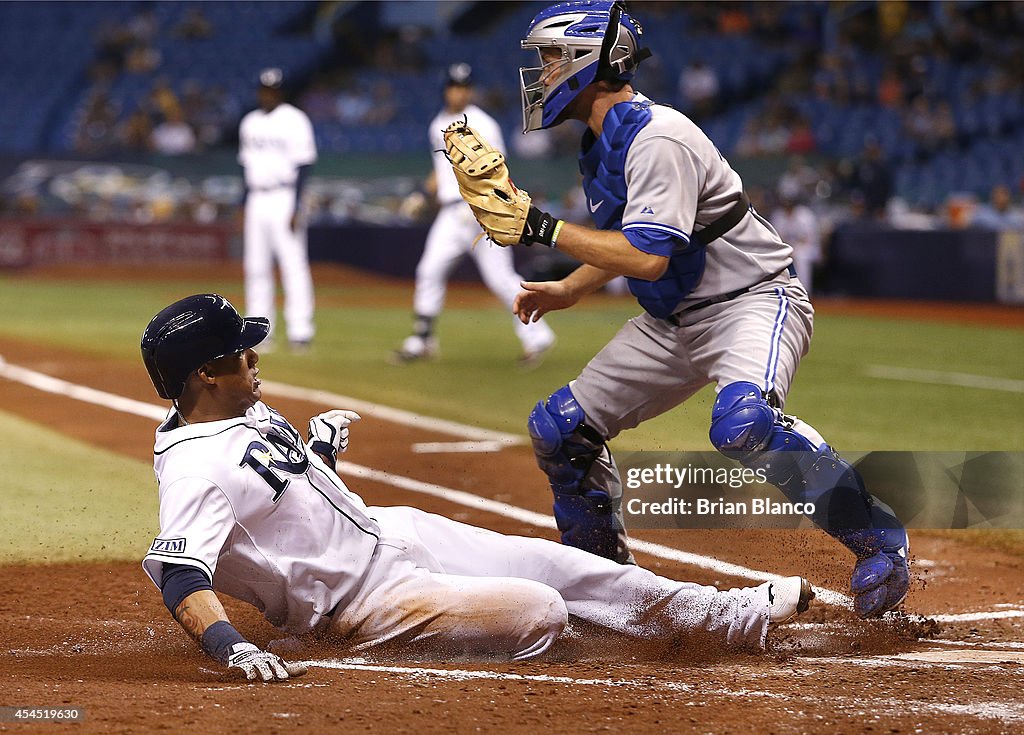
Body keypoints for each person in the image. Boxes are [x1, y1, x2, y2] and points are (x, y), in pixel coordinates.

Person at [470, 1, 907, 618]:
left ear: (587, 63)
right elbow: (640, 238)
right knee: (561, 431)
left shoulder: (658, 137)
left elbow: (648, 257)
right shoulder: (602, 143)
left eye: (548, 58)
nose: (540, 73)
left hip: (751, 301)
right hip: (674, 320)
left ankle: (880, 539)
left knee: (743, 426)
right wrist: (571, 287)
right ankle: (608, 588)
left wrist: (541, 228)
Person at [139, 293, 813, 682]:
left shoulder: (238, 408)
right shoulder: (195, 468)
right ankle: (637, 651)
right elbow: (177, 570)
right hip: (363, 602)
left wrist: (319, 451)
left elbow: (288, 509)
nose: (255, 356)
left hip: (396, 532)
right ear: (204, 374)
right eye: (241, 352)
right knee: (541, 610)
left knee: (568, 565)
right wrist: (234, 646)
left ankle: (730, 617)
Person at [392, 63, 556, 367]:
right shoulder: (437, 123)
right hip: (451, 213)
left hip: (481, 211)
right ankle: (422, 339)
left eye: (465, 87)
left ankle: (537, 336)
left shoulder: (483, 123)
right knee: (429, 270)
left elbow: (496, 169)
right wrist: (423, 195)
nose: (459, 92)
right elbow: (442, 171)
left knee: (500, 279)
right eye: (455, 86)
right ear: (446, 89)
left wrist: (496, 208)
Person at [238, 68, 317, 351]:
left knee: (293, 264)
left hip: (285, 196)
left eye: (273, 89)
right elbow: (245, 167)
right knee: (256, 266)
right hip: (257, 197)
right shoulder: (249, 122)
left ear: (280, 92)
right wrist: (243, 203)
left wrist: (297, 205)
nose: (268, 94)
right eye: (264, 89)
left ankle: (301, 330)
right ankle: (259, 332)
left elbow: (304, 166)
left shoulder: (295, 120)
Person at [770, 183, 822, 295]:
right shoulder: (778, 215)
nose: (787, 204)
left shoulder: (805, 215)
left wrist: (792, 248)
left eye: (789, 201)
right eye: (785, 201)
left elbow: (808, 239)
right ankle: (780, 291)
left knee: (801, 256)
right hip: (787, 247)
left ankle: (805, 292)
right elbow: (777, 238)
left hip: (808, 248)